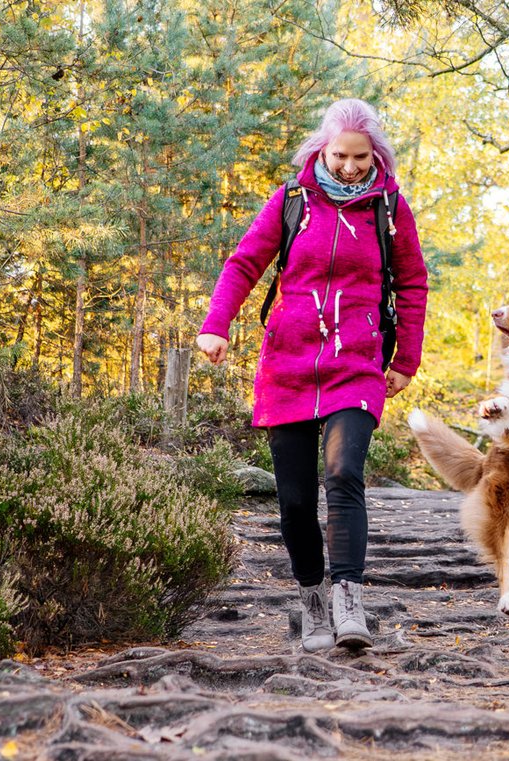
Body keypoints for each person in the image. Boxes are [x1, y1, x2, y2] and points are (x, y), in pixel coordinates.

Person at [195, 99, 428, 652]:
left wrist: (404, 361)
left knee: (344, 473)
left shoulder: (388, 208)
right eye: (340, 155)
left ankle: (349, 595)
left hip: (357, 361)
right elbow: (244, 263)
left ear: (377, 155)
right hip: (288, 363)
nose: (350, 167)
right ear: (322, 149)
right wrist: (216, 324)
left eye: (361, 157)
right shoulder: (292, 200)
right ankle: (312, 602)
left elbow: (413, 284)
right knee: (295, 501)